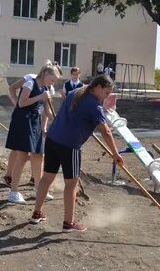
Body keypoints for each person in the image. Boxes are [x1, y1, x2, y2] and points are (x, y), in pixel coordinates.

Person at [29, 75, 124, 232]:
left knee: (46, 177)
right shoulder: (93, 105)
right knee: (71, 185)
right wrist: (115, 153)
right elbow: (106, 132)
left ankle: (36, 213)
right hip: (69, 146)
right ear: (98, 87)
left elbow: (77, 114)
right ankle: (68, 223)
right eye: (106, 93)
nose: (107, 96)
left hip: (53, 139)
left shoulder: (76, 92)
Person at [5, 63, 61, 204]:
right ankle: (13, 192)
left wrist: (58, 120)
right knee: (22, 157)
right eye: (53, 79)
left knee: (39, 156)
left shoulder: (47, 88)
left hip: (35, 123)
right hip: (23, 122)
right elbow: (22, 103)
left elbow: (47, 111)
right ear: (45, 74)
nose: (53, 83)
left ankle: (39, 189)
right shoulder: (30, 83)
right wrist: (40, 96)